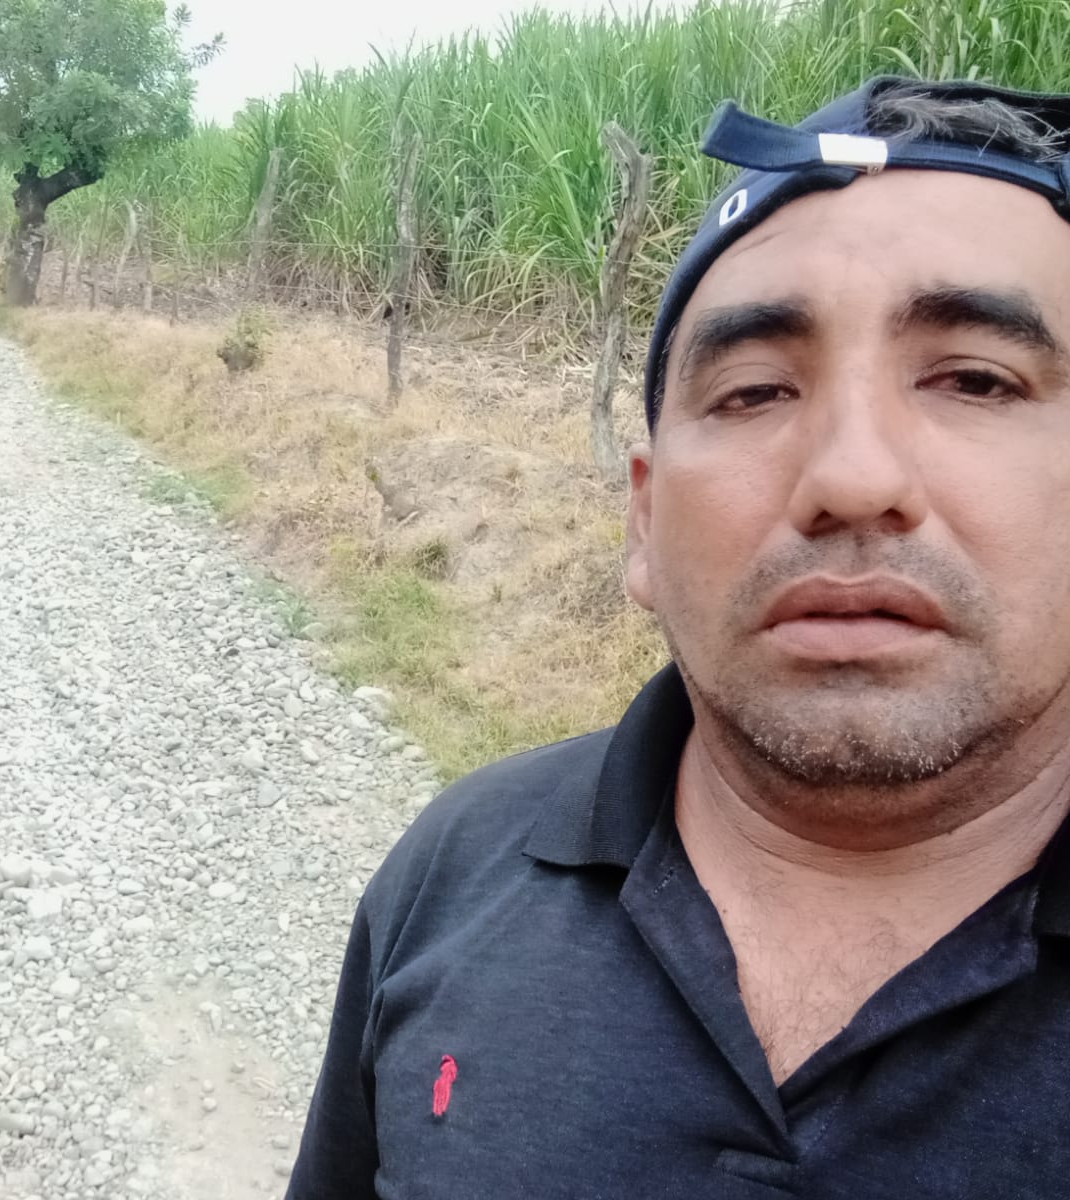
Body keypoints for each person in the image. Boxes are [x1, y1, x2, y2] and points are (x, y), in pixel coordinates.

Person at [286, 76, 1070, 1198]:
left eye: (976, 380)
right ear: (644, 522)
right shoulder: (457, 870)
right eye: (753, 393)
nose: (853, 478)